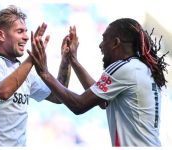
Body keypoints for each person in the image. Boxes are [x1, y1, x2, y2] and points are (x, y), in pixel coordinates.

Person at [28, 18, 169, 146]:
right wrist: (72, 59)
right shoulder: (140, 68)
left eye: (104, 39)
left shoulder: (124, 68)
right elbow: (102, 101)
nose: (101, 45)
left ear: (115, 43)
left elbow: (79, 105)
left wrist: (44, 73)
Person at [0, 5, 71, 147]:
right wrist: (32, 58)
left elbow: (59, 97)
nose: (26, 37)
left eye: (25, 32)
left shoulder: (23, 71)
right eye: (19, 31)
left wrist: (66, 61)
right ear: (1, 35)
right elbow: (3, 92)